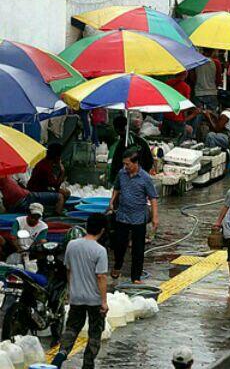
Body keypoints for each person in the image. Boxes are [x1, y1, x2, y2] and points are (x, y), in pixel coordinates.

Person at [52, 213, 108, 369]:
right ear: (102, 230)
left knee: (71, 328)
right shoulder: (100, 251)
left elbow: (68, 270)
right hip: (94, 299)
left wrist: (71, 291)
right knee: (95, 332)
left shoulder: (72, 245)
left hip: (76, 297)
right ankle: (88, 364)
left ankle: (61, 354)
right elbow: (101, 277)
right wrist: (104, 301)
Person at [109, 149, 159, 284]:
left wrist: (155, 217)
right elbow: (117, 188)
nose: (126, 167)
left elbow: (153, 198)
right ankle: (117, 265)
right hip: (123, 215)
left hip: (138, 217)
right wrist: (112, 201)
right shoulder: (122, 173)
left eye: (128, 164)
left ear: (135, 163)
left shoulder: (145, 178)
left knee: (138, 248)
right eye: (124, 164)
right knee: (120, 245)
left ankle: (136, 277)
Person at [107, 115, 154, 185]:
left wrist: (113, 181)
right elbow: (150, 161)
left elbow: (115, 165)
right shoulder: (141, 141)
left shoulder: (121, 144)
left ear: (116, 129)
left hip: (129, 182)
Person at [162, 72, 198, 142]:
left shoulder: (167, 83)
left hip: (166, 115)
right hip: (177, 119)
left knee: (165, 140)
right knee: (180, 141)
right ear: (185, 74)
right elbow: (185, 106)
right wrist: (193, 113)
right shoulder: (185, 87)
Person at [190, 48, 223, 112]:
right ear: (213, 51)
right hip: (212, 92)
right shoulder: (216, 63)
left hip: (198, 92)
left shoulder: (196, 62)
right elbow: (218, 79)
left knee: (198, 115)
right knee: (211, 116)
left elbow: (192, 78)